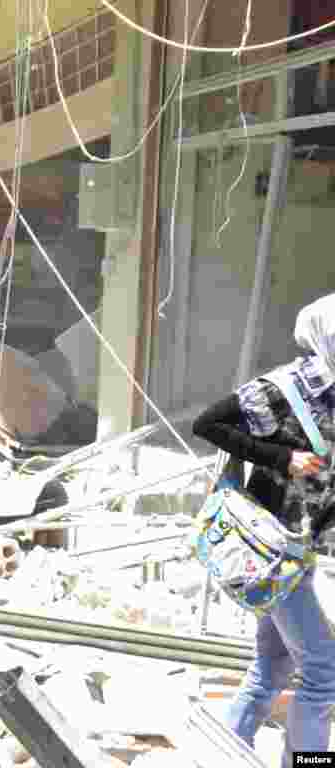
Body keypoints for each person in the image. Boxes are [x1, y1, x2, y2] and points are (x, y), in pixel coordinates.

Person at [192, 293, 335, 767]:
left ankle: (221, 756)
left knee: (272, 667)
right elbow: (208, 424)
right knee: (324, 671)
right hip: (271, 551)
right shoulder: (286, 386)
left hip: (302, 548)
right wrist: (282, 457)